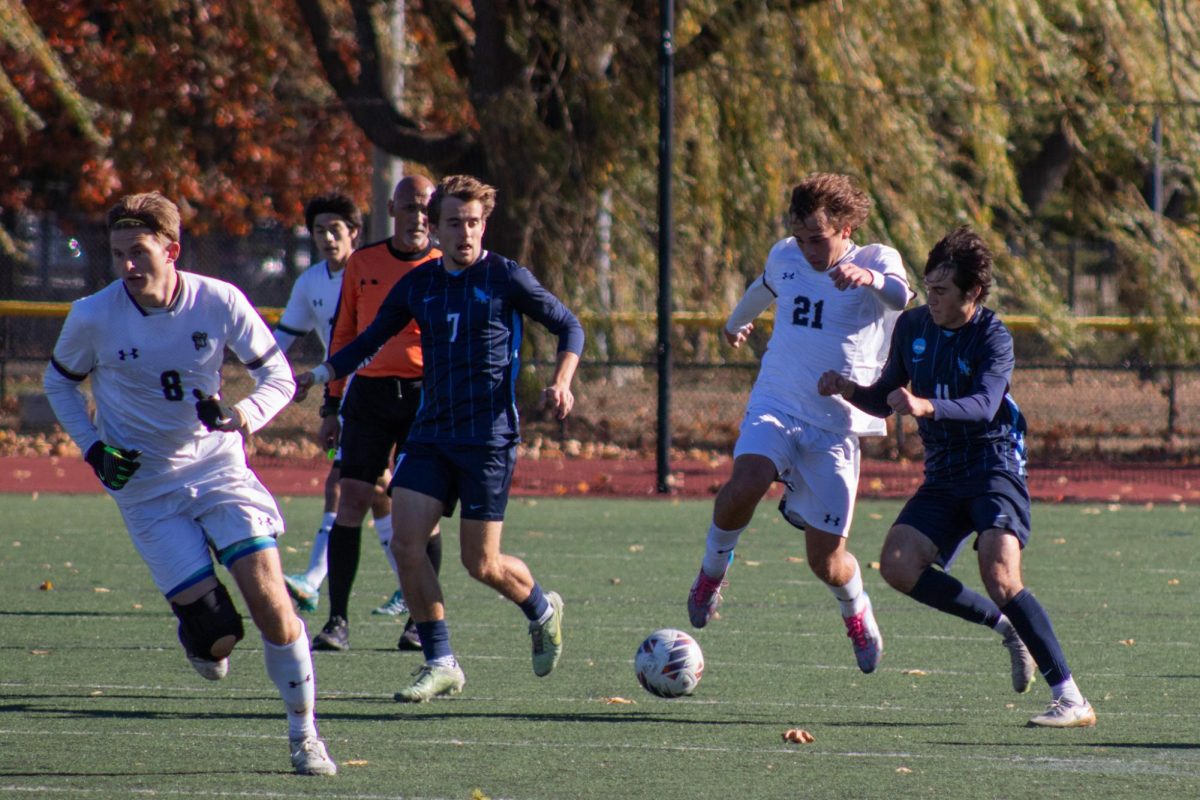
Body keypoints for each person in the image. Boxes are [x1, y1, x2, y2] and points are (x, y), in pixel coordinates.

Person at [42, 191, 337, 774]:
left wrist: (242, 415)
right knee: (217, 636)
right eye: (118, 252)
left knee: (272, 604)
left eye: (140, 252)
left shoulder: (219, 300)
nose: (127, 265)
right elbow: (59, 386)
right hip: (146, 490)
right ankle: (202, 634)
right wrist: (95, 449)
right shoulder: (93, 315)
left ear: (172, 250)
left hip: (219, 469)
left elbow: (276, 375)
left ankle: (305, 735)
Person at [296, 174, 584, 702]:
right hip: (431, 435)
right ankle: (441, 660)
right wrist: (317, 378)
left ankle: (542, 608)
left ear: (483, 225)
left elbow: (570, 326)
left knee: (482, 564)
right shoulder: (420, 284)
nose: (465, 233)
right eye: (454, 223)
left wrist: (562, 381)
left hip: (488, 439)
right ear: (435, 225)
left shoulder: (506, 277)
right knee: (407, 542)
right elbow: (367, 342)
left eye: (473, 223)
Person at [817, 226, 1096, 728]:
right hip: (944, 474)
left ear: (975, 294)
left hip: (994, 466)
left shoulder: (993, 335)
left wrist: (926, 405)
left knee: (1000, 573)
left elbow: (986, 405)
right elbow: (885, 394)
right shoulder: (913, 327)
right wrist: (847, 389)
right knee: (898, 565)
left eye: (942, 291)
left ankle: (1071, 697)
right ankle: (1003, 626)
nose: (931, 300)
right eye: (928, 288)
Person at [686, 172, 912, 674]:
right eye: (803, 236)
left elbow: (901, 296)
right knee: (746, 481)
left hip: (836, 424)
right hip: (778, 399)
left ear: (847, 227)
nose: (809, 248)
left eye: (820, 238)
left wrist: (870, 280)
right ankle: (711, 573)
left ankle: (856, 611)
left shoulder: (876, 260)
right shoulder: (785, 254)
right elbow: (765, 287)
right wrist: (734, 321)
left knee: (826, 561)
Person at [297, 175, 444, 653]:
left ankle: (419, 622)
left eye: (425, 208)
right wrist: (332, 405)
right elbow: (344, 336)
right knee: (352, 498)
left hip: (427, 398)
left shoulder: (446, 265)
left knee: (423, 512)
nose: (417, 217)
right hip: (370, 395)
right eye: (408, 208)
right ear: (391, 209)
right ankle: (337, 619)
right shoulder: (364, 263)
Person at [272, 193, 398, 619]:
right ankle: (407, 582)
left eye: (335, 230)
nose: (327, 238)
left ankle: (312, 579)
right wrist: (270, 376)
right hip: (342, 397)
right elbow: (280, 342)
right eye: (320, 230)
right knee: (375, 489)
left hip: (382, 393)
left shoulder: (371, 273)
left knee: (343, 484)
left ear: (354, 233)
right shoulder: (309, 283)